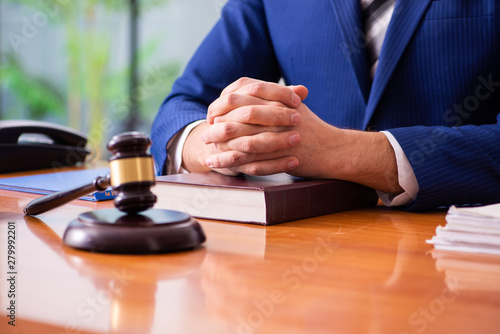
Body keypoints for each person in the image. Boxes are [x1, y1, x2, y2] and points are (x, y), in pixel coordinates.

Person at [151, 0, 500, 211]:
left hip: (462, 261)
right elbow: (186, 103)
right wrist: (222, 143)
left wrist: (344, 152)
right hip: (310, 262)